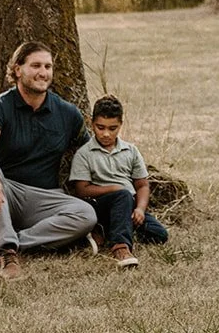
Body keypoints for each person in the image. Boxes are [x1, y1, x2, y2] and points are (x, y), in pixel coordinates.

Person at [0, 41, 97, 281]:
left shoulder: (67, 113)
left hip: (40, 198)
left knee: (86, 214)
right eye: (35, 65)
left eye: (48, 66)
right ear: (17, 70)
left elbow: (91, 154)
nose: (43, 72)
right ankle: (5, 253)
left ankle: (13, 242)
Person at [69, 95, 170, 267]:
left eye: (112, 128)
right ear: (92, 123)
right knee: (122, 194)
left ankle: (105, 230)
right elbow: (81, 190)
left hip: (128, 204)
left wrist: (139, 208)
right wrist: (112, 189)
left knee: (159, 234)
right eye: (100, 128)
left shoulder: (131, 151)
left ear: (120, 125)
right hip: (100, 204)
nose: (106, 134)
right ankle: (120, 247)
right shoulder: (85, 153)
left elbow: (142, 185)